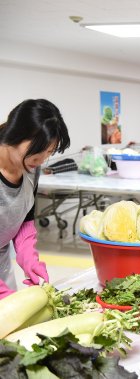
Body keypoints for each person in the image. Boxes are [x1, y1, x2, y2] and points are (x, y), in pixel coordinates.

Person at [0, 99, 70, 299]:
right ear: (14, 136)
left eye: (48, 153)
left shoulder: (31, 168)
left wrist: (29, 258)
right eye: (36, 153)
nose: (40, 162)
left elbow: (24, 217)